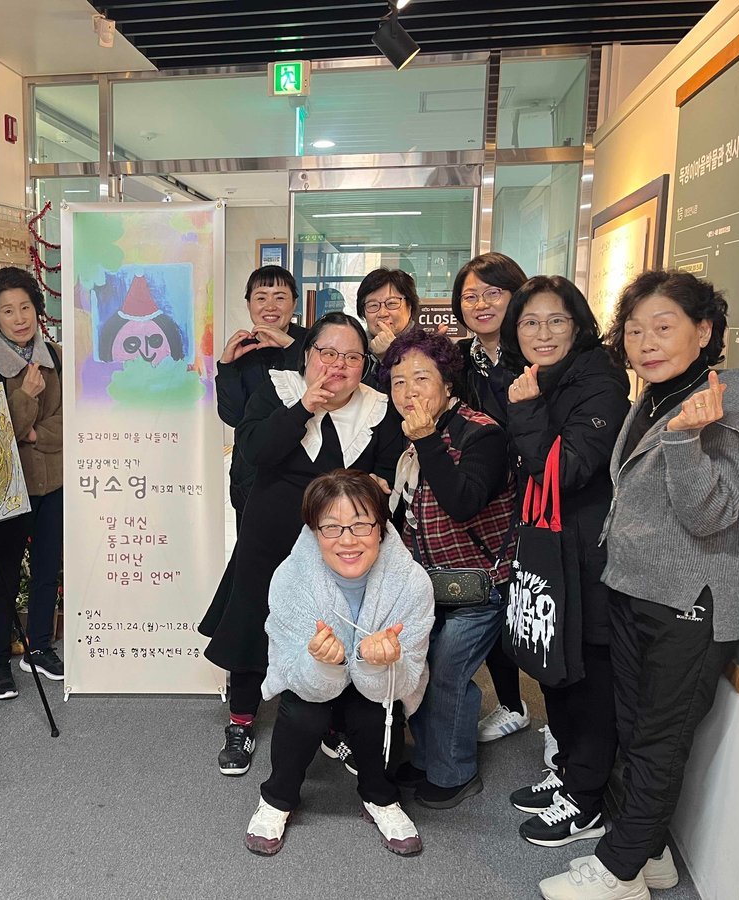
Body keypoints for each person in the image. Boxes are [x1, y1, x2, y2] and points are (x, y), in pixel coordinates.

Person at [538, 271, 739, 900]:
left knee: (658, 741)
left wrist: (688, 439)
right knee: (634, 726)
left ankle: (619, 872)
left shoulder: (725, 404)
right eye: (636, 330)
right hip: (634, 588)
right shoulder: (657, 396)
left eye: (663, 327)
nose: (646, 343)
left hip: (689, 601)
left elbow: (710, 513)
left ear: (704, 330)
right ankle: (652, 855)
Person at [200, 312, 402, 776]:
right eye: (327, 353)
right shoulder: (279, 390)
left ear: (364, 365)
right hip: (270, 536)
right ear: (307, 355)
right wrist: (304, 407)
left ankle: (330, 725)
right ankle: (241, 720)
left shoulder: (376, 407)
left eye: (351, 356)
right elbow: (255, 450)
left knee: (334, 630)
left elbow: (389, 468)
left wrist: (378, 484)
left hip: (340, 547)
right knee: (254, 622)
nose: (338, 364)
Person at [499, 276, 630, 848]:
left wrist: (526, 411)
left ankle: (586, 799)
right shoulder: (537, 379)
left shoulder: (601, 381)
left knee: (590, 673)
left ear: (578, 325)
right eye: (530, 322)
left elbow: (565, 469)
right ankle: (569, 769)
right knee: (553, 659)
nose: (543, 332)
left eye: (556, 320)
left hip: (589, 554)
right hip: (549, 546)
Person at [243, 470, 433, 857]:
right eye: (331, 527)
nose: (347, 540)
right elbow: (292, 669)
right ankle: (277, 797)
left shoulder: (412, 583)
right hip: (312, 684)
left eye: (361, 524)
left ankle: (380, 797)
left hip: (375, 688)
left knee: (377, 711)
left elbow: (407, 679)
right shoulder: (291, 578)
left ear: (381, 527)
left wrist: (373, 660)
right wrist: (323, 662)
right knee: (302, 712)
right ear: (314, 531)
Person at [379, 328, 516, 809]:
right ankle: (426, 759)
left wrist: (428, 441)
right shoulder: (408, 438)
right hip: (427, 585)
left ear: (448, 384)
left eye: (421, 378)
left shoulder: (482, 434)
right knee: (417, 668)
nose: (408, 391)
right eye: (398, 382)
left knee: (448, 672)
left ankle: (455, 772)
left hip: (480, 586)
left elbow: (462, 502)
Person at [449, 252, 535, 745]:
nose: (481, 304)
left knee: (535, 604)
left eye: (493, 292)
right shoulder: (461, 359)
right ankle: (512, 703)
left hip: (535, 494)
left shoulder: (535, 354)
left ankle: (558, 722)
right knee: (494, 597)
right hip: (485, 495)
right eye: (470, 296)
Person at [0, 266, 64, 700]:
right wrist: (25, 396)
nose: (19, 318)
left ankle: (39, 646)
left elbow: (69, 421)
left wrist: (31, 433)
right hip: (9, 487)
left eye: (25, 307)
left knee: (47, 569)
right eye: (7, 310)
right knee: (5, 575)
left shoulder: (55, 355)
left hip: (55, 481)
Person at [217, 265, 308, 526]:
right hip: (251, 477)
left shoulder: (313, 344)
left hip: (303, 475)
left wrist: (291, 348)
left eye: (280, 297)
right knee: (252, 548)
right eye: (261, 297)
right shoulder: (243, 348)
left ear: (294, 303)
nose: (270, 306)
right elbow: (233, 417)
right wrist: (227, 366)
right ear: (249, 304)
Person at [357, 267, 421, 383]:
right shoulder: (355, 350)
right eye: (373, 305)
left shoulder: (427, 348)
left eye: (391, 303)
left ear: (409, 307)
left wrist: (391, 355)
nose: (382, 313)